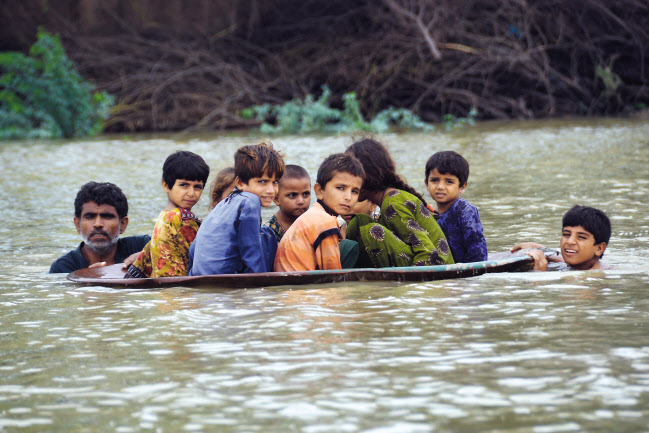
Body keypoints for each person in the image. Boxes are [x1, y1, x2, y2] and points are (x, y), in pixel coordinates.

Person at [345, 138, 454, 268]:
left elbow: (428, 253)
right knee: (358, 223)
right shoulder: (388, 201)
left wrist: (408, 288)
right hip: (422, 260)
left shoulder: (393, 204)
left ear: (367, 176)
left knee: (371, 231)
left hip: (436, 268)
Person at [189, 141, 285, 275]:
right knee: (267, 235)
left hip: (199, 276)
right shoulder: (251, 200)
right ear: (240, 183)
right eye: (262, 182)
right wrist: (261, 288)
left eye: (275, 182)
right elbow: (251, 251)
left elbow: (194, 249)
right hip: (226, 279)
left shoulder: (221, 206)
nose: (271, 190)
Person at [274, 153, 365, 271]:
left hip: (289, 284)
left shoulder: (314, 214)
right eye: (340, 188)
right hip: (298, 287)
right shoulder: (324, 221)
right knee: (350, 247)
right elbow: (333, 275)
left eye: (355, 191)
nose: (348, 197)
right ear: (319, 191)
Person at [126, 151, 210, 278]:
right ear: (166, 185)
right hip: (178, 289)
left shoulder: (164, 217)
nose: (191, 193)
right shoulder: (179, 217)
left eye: (197, 187)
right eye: (184, 185)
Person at [49, 181, 150, 273]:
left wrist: (152, 259)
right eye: (90, 217)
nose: (98, 224)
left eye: (107, 216)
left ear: (123, 224)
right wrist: (86, 282)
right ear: (78, 224)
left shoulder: (143, 247)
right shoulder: (63, 269)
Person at [425, 150, 487, 263]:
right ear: (426, 184)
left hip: (467, 271)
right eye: (434, 180)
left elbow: (477, 248)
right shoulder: (427, 215)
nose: (440, 186)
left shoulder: (463, 209)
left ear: (462, 187)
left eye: (449, 182)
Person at [511, 205, 612, 271]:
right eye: (566, 234)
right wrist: (539, 248)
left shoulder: (595, 278)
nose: (570, 241)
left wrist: (539, 275)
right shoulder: (579, 265)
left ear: (599, 248)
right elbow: (562, 261)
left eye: (581, 237)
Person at [264, 164, 311, 242]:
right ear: (276, 199)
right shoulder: (269, 234)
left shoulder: (314, 224)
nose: (301, 201)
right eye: (293, 195)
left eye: (306, 194)